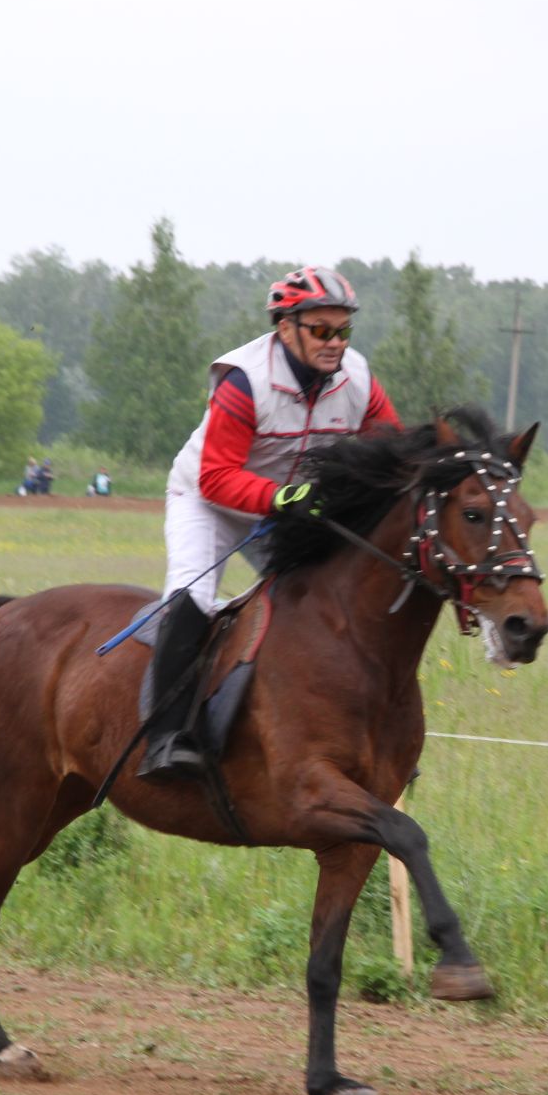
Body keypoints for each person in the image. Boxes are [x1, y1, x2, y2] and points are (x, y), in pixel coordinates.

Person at [138, 264, 401, 781]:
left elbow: (391, 448)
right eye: (321, 330)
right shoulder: (244, 381)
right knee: (191, 595)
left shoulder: (359, 379)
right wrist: (285, 497)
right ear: (285, 328)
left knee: (327, 598)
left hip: (288, 505)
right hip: (209, 501)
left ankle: (351, 729)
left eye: (343, 331)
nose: (335, 343)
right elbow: (215, 478)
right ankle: (167, 738)